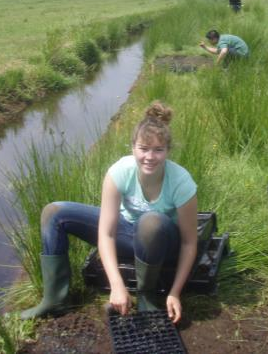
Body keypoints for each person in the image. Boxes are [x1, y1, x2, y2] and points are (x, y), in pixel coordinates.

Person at [20, 101, 198, 324]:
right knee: (54, 212)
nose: (149, 157)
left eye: (158, 150)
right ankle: (54, 299)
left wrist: (175, 292)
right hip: (129, 234)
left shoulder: (181, 182)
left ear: (168, 151)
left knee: (150, 221)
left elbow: (189, 243)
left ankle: (146, 295)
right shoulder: (119, 172)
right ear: (133, 147)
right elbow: (107, 233)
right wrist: (117, 285)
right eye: (143, 148)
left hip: (164, 242)